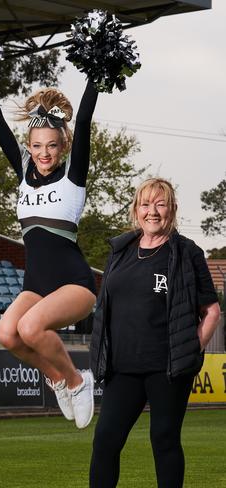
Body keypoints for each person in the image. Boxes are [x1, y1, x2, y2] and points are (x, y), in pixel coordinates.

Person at [0, 77, 98, 428]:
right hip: (36, 286)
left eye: (52, 146)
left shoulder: (73, 176)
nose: (44, 153)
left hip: (75, 283)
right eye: (38, 146)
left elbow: (84, 120)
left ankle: (77, 380)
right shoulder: (25, 173)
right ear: (29, 146)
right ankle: (58, 380)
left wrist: (96, 75)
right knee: (7, 334)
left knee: (29, 327)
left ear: (64, 146)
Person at [89, 178, 221, 487]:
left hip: (167, 369)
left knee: (164, 440)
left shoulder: (188, 253)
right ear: (136, 210)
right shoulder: (119, 251)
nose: (153, 211)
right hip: (122, 368)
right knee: (105, 441)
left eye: (160, 204)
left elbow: (212, 311)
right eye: (146, 204)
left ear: (172, 209)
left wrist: (190, 349)